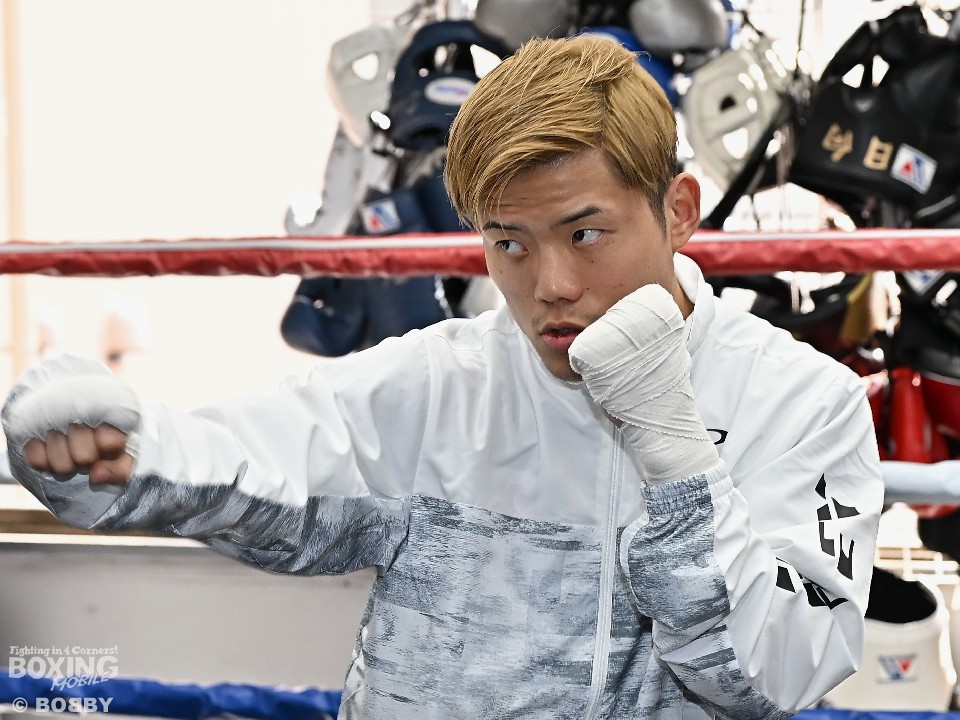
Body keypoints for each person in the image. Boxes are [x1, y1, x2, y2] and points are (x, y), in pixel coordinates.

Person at [2, 35, 883, 718]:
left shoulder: (803, 406)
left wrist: (678, 458)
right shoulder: (441, 383)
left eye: (585, 233)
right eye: (509, 243)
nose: (550, 285)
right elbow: (265, 460)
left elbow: (774, 676)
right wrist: (121, 450)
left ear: (679, 210)